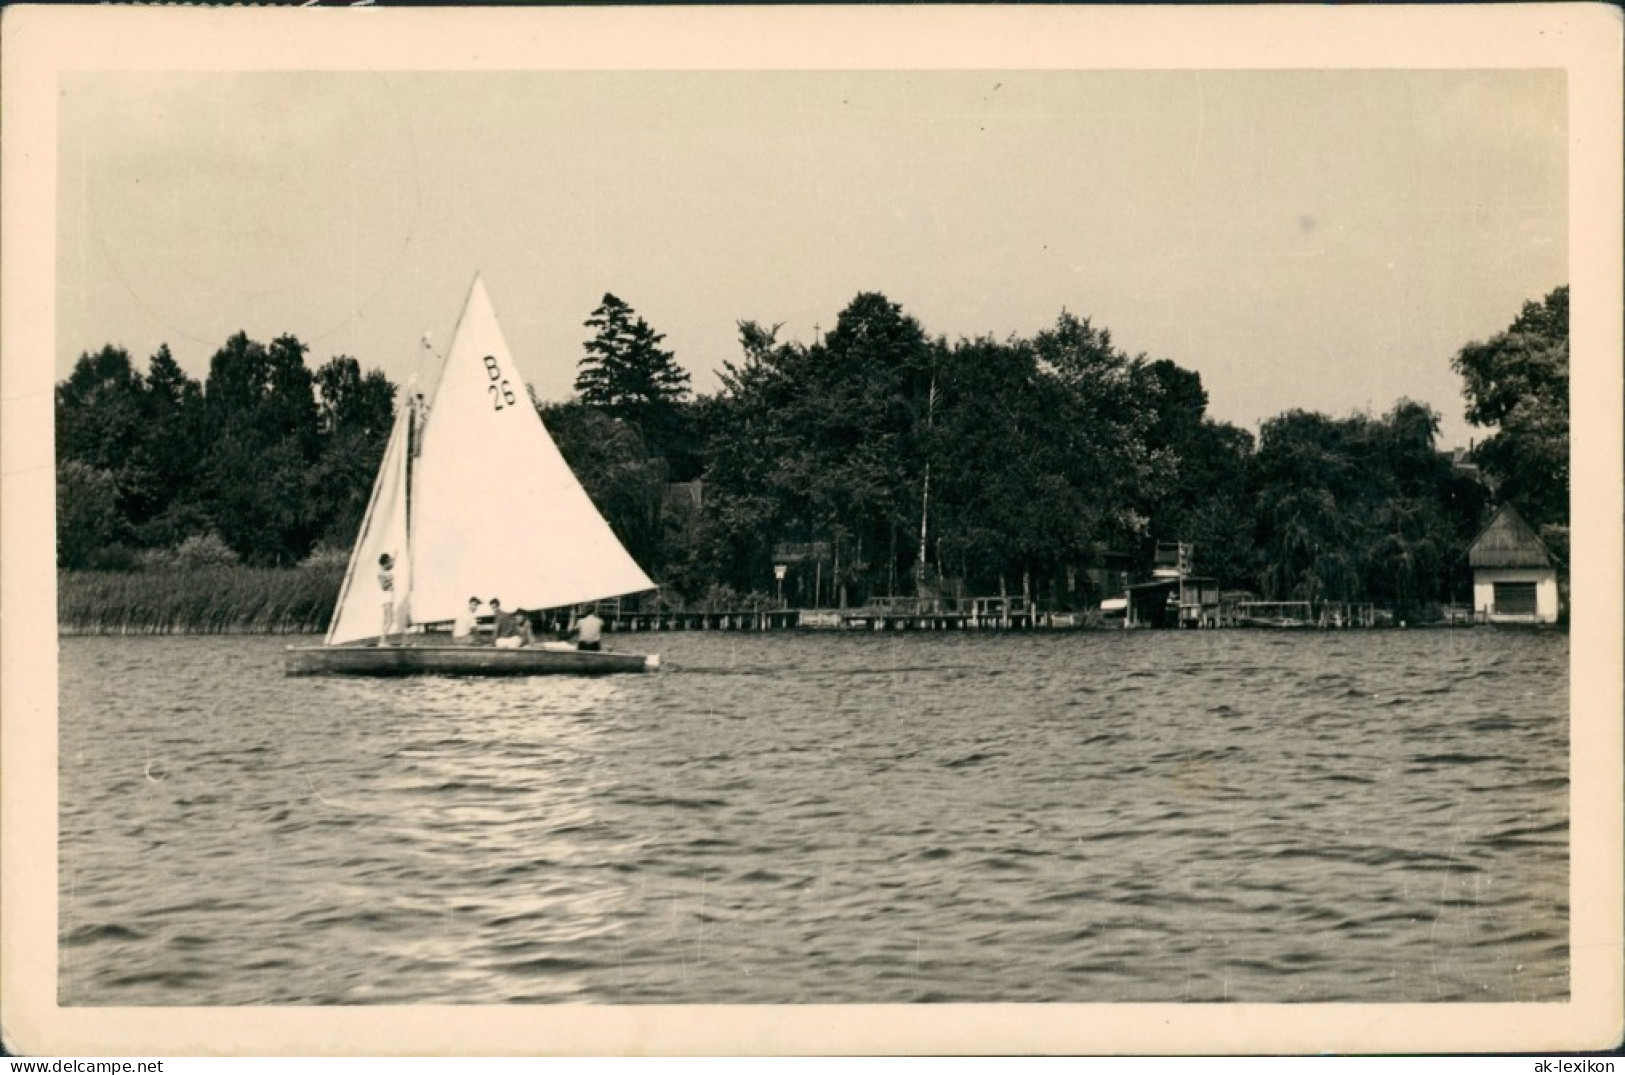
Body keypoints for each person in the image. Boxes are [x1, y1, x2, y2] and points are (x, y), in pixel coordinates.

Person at [377, 553, 397, 646]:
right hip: (387, 597)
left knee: (385, 621)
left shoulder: (384, 570)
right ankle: (383, 641)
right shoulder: (381, 573)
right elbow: (383, 587)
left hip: (388, 597)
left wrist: (395, 554)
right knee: (390, 620)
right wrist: (390, 580)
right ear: (385, 563)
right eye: (389, 562)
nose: (390, 564)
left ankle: (382, 640)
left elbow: (393, 564)